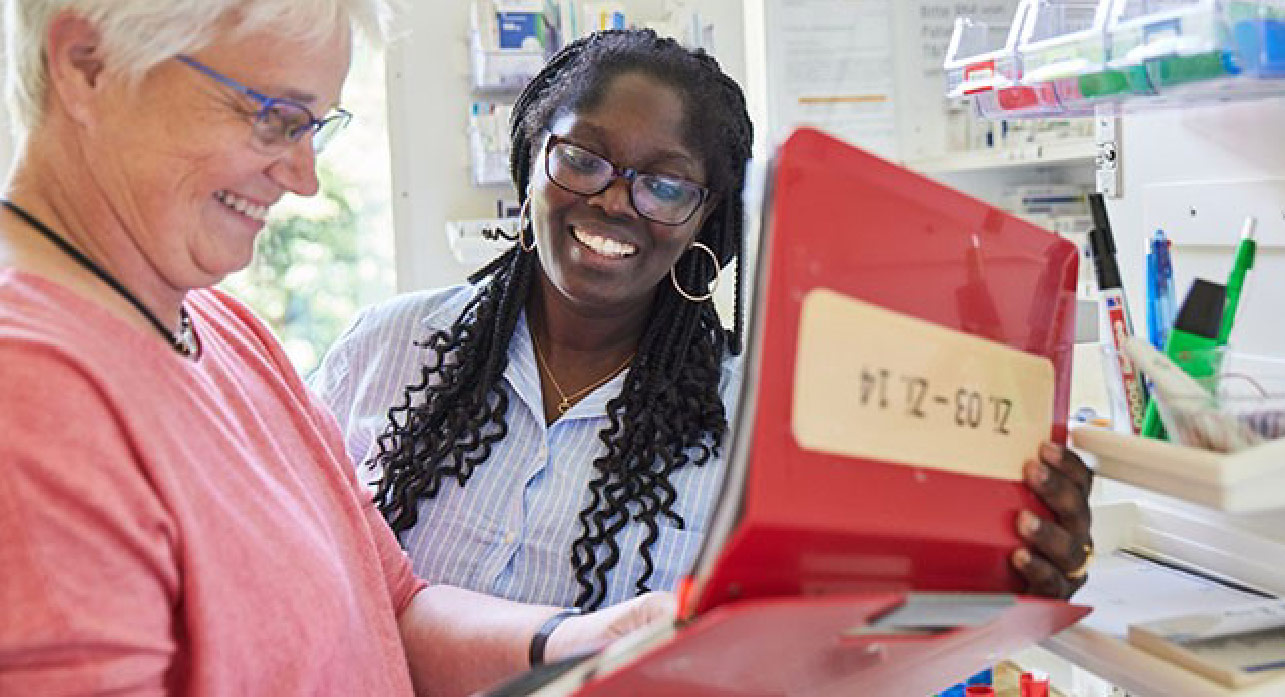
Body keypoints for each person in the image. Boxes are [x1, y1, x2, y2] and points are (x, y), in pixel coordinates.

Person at [0, 3, 669, 696]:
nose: (302, 177)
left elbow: (393, 606)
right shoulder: (31, 391)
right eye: (272, 118)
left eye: (313, 128)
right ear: (87, 66)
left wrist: (586, 640)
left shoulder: (223, 328)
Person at [311, 28, 1097, 616]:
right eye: (582, 159)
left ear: (704, 218)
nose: (615, 201)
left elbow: (837, 639)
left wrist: (1013, 565)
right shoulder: (386, 349)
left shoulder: (757, 428)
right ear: (529, 165)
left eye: (664, 185)